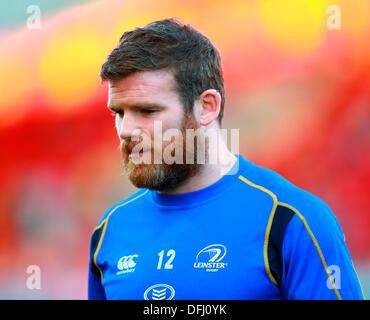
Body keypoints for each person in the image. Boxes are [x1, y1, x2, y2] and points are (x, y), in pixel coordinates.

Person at [88, 18, 364, 300]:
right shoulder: (110, 232)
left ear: (207, 107)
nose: (126, 131)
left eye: (147, 111)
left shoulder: (290, 219)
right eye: (119, 113)